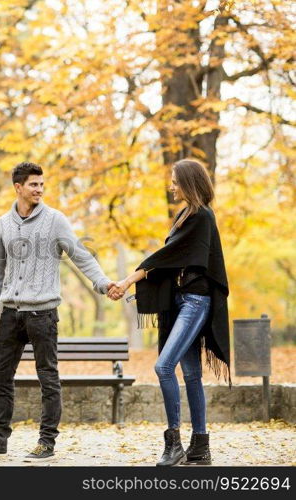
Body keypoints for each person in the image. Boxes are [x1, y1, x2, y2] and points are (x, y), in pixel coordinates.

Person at [0, 161, 121, 461]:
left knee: (47, 377)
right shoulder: (3, 224)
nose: (39, 189)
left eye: (42, 184)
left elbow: (81, 255)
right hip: (10, 312)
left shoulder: (55, 220)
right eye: (33, 184)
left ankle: (46, 442)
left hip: (42, 314)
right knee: (0, 375)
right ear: (18, 187)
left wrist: (103, 283)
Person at [109, 159, 230, 466]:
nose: (171, 186)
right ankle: (200, 447)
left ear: (189, 183)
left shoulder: (202, 216)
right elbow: (169, 261)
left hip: (195, 302)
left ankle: (174, 442)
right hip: (179, 302)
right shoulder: (184, 214)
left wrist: (127, 280)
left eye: (176, 182)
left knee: (164, 367)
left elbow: (164, 257)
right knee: (190, 375)